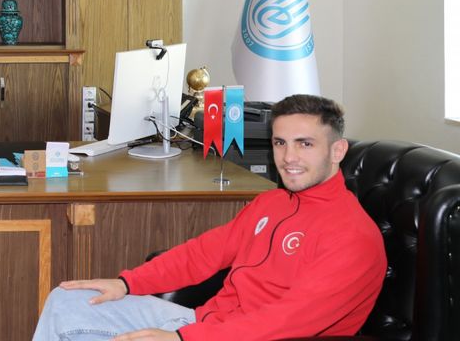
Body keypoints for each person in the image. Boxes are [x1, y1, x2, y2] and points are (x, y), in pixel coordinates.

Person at [31, 94, 385, 341]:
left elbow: (287, 320)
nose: (288, 157)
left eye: (305, 144)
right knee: (67, 302)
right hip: (206, 324)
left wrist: (182, 338)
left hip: (249, 337)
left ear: (337, 150)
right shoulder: (272, 203)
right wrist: (126, 283)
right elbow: (202, 254)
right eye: (280, 143)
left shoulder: (353, 237)